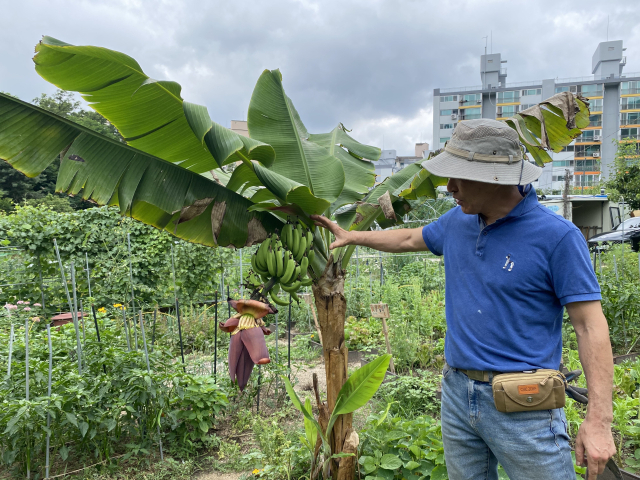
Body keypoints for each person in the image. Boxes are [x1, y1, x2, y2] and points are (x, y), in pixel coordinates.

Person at [312, 119, 615, 480]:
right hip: (457, 395)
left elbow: (589, 326)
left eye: (460, 176)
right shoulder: (459, 221)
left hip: (525, 404)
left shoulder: (557, 238)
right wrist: (352, 237)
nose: (450, 187)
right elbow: (410, 239)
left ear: (496, 177)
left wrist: (599, 421)